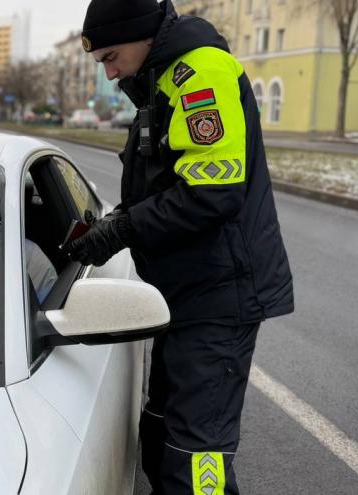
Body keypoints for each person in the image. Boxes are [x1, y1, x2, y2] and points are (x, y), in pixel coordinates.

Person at [65, 1, 294, 493]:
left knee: (196, 456)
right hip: (190, 292)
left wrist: (123, 230)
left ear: (140, 33)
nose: (108, 73)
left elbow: (212, 193)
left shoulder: (199, 72)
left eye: (110, 56)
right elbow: (166, 183)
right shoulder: (163, 76)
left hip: (220, 295)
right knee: (164, 432)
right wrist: (120, 221)